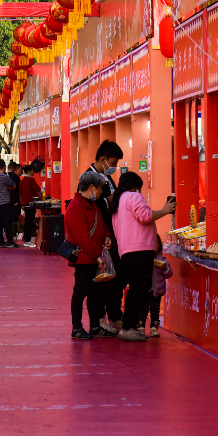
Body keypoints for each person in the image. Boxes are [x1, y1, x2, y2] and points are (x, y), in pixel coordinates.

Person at [110, 171, 176, 342]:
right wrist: (165, 211)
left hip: (126, 250)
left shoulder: (119, 200)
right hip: (140, 249)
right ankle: (128, 327)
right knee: (140, 289)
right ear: (136, 186)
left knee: (135, 288)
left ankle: (130, 326)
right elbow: (145, 216)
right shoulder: (134, 196)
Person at [65, 170, 114, 340]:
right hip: (84, 259)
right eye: (100, 188)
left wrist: (107, 236)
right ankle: (77, 327)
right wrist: (99, 255)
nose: (101, 192)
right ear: (92, 187)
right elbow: (83, 237)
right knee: (80, 293)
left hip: (93, 258)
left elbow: (101, 226)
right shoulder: (76, 207)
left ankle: (95, 326)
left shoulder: (92, 206)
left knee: (95, 294)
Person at [89, 140, 125, 333]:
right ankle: (98, 319)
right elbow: (93, 207)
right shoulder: (90, 178)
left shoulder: (107, 177)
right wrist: (112, 198)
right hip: (101, 237)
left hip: (112, 235)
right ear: (103, 159)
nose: (114, 166)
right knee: (101, 280)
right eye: (113, 162)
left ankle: (114, 315)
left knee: (115, 277)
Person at [141, 236, 173, 338]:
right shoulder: (143, 259)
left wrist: (164, 268)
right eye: (151, 242)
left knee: (155, 309)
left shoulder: (162, 260)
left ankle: (154, 327)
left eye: (156, 243)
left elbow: (169, 274)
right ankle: (140, 326)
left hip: (157, 290)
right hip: (145, 289)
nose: (154, 245)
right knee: (143, 308)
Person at [18, 165, 43, 248]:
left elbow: (20, 193)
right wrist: (40, 197)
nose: (34, 172)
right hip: (31, 204)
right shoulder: (31, 179)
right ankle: (28, 241)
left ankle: (27, 240)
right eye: (32, 171)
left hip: (25, 203)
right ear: (29, 171)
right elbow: (37, 189)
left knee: (27, 222)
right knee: (30, 222)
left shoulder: (22, 180)